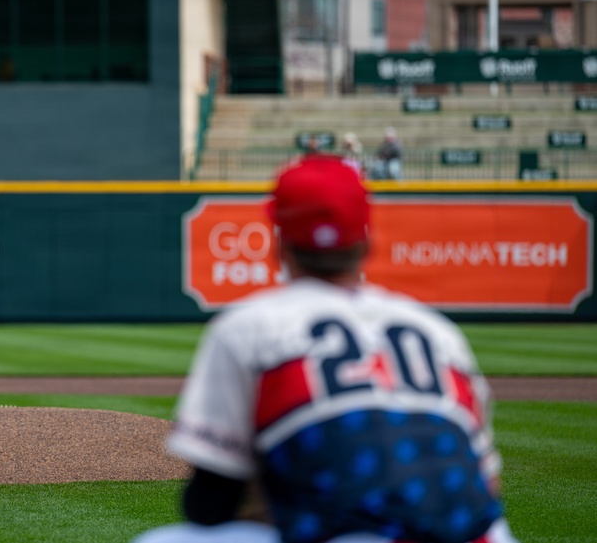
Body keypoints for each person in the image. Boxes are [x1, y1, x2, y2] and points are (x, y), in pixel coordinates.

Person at [136, 155, 517, 543]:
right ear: (368, 241)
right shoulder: (437, 332)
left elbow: (210, 504)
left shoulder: (248, 326)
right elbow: (487, 484)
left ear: (279, 242)